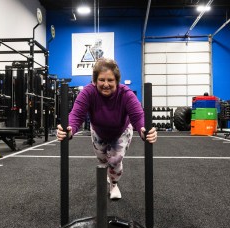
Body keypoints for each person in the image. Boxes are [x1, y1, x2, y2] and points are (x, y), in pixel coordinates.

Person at [57, 58, 157, 200]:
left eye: (110, 80)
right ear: (95, 80)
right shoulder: (88, 92)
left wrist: (144, 130)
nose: (106, 84)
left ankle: (114, 185)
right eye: (101, 80)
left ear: (116, 81)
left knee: (115, 160)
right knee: (103, 160)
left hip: (121, 130)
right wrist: (69, 129)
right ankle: (109, 174)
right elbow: (76, 115)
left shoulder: (126, 94)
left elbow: (138, 116)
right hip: (98, 130)